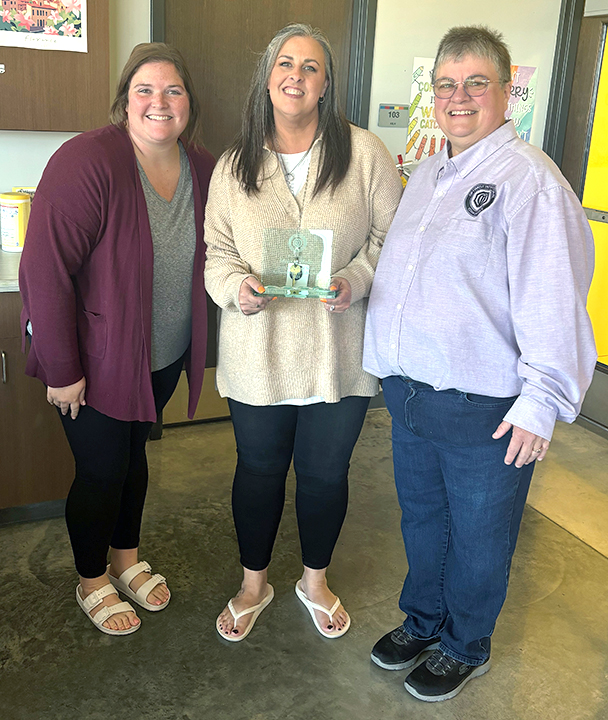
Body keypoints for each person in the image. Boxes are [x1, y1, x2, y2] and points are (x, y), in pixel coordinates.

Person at [363, 26, 596, 701]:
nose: (457, 96)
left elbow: (554, 296)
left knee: (479, 534)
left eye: (475, 83)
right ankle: (423, 619)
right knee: (423, 520)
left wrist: (542, 399)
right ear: (432, 95)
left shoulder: (529, 183)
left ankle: (466, 643)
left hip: (486, 407)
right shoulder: (430, 173)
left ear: (507, 94)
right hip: (412, 394)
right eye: (445, 84)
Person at [204, 23, 402, 642]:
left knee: (325, 475)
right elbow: (215, 253)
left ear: (325, 83)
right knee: (257, 472)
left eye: (311, 66)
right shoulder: (233, 164)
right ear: (268, 78)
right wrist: (236, 289)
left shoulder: (364, 153)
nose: (297, 75)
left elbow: (389, 242)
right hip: (256, 352)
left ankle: (314, 579)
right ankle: (253, 583)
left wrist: (357, 279)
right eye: (286, 64)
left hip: (335, 354)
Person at [19, 43, 215, 636]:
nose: (160, 103)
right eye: (145, 91)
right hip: (95, 362)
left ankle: (125, 559)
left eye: (173, 91)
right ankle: (92, 578)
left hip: (162, 355)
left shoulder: (202, 167)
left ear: (189, 103)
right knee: (102, 470)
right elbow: (44, 267)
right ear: (124, 102)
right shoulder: (88, 160)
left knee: (134, 462)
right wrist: (61, 368)